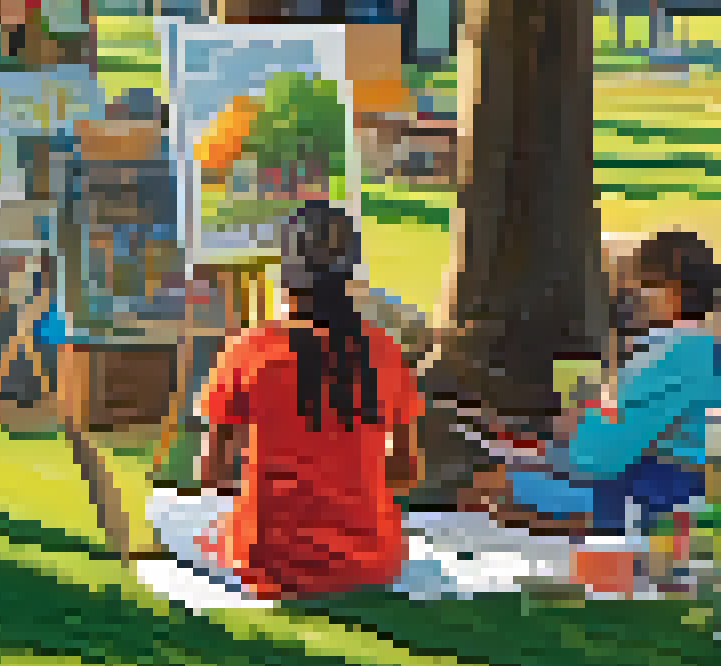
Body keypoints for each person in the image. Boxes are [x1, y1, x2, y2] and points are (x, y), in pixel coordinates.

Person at [155, 203, 424, 601]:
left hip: (265, 557)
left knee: (168, 515)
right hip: (370, 561)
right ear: (351, 273)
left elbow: (210, 473)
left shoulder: (249, 349)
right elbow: (405, 474)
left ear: (284, 273)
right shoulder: (385, 353)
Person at [488, 232, 719, 542]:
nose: (630, 296)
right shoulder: (697, 348)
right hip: (670, 492)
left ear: (670, 291)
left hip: (652, 500)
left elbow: (599, 456)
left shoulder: (674, 352)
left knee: (501, 486)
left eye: (638, 285)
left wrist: (549, 451)